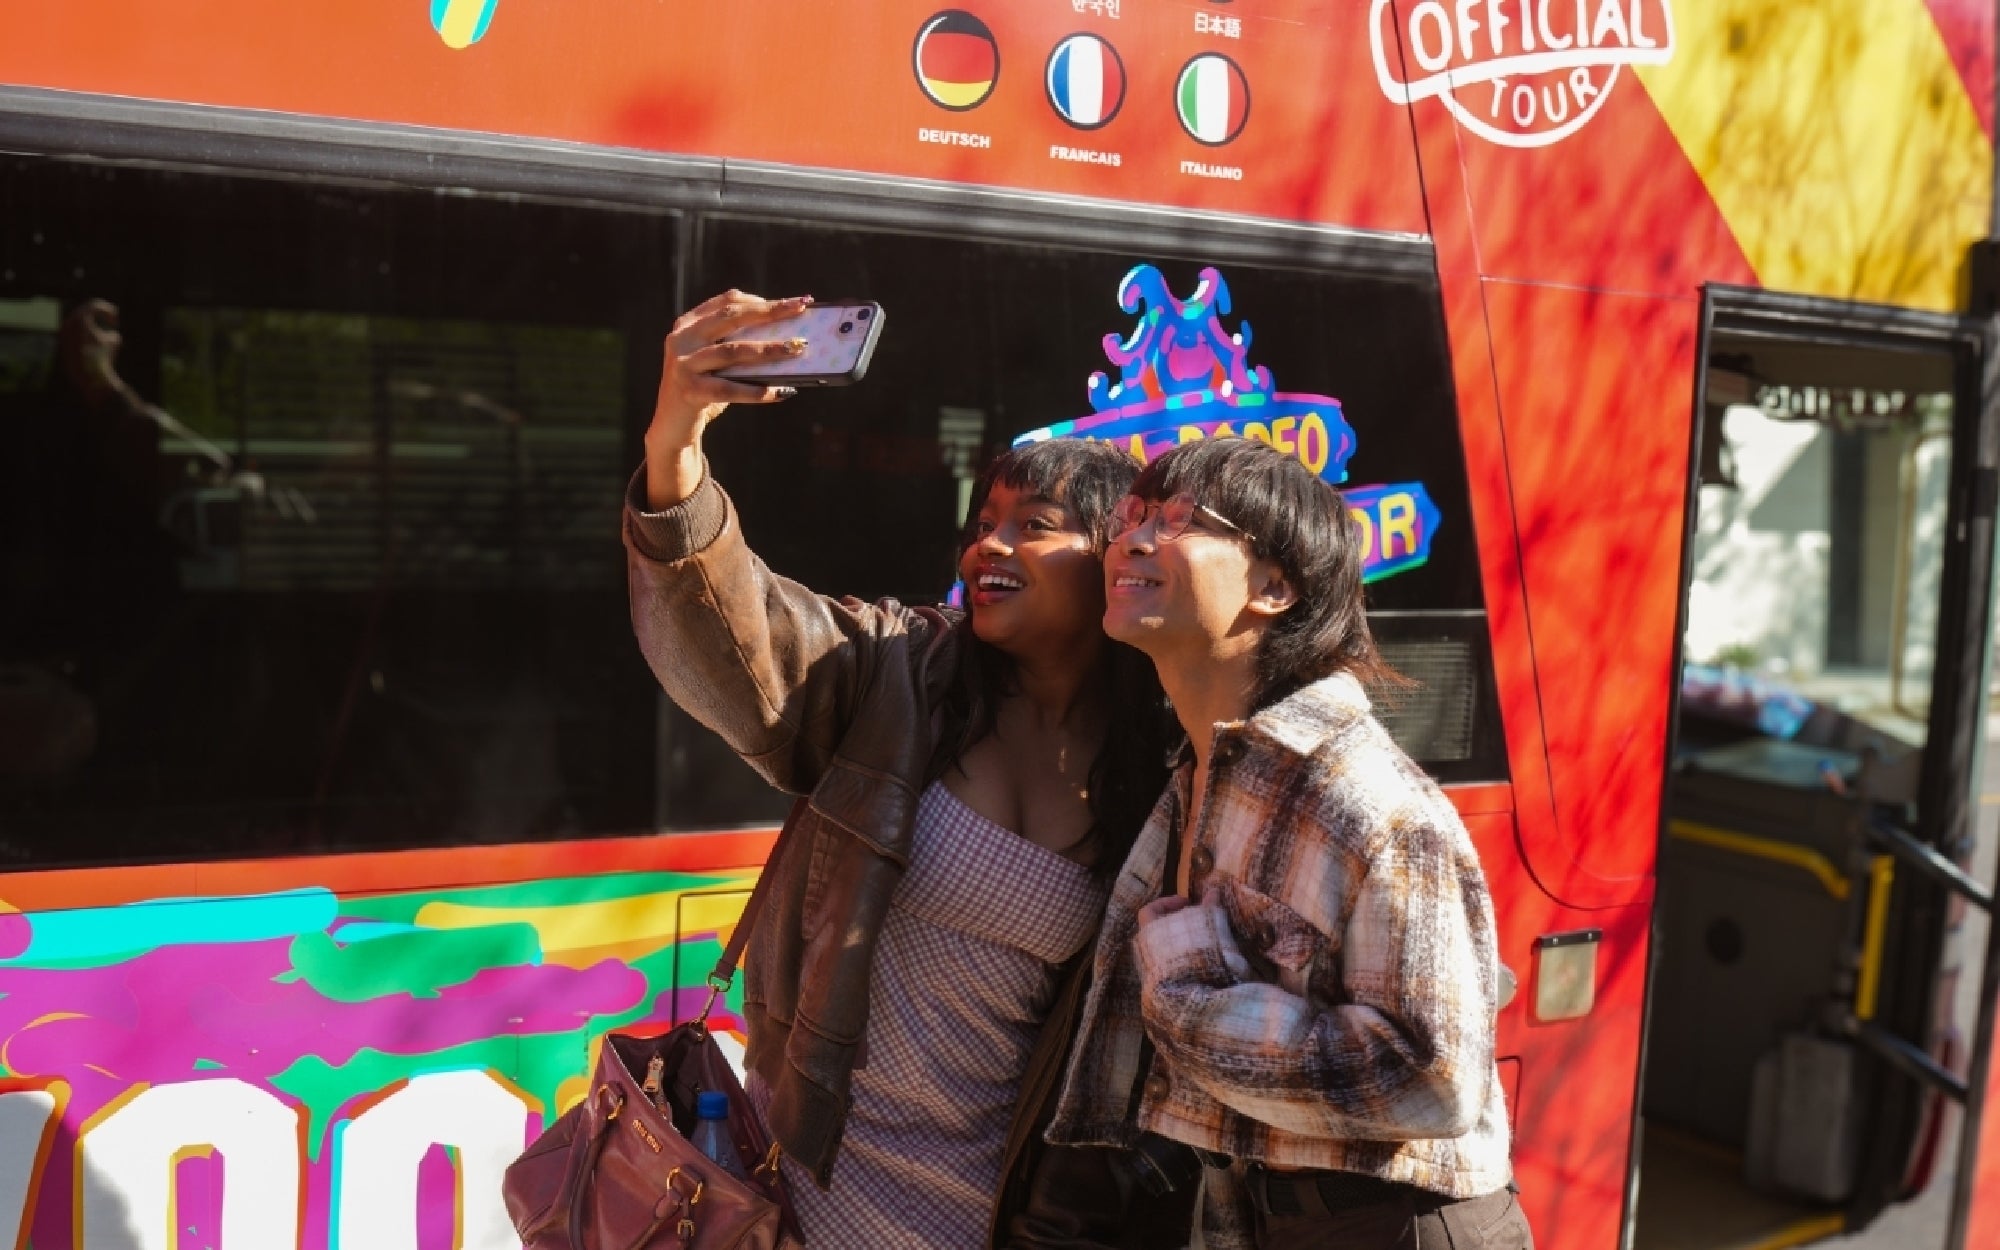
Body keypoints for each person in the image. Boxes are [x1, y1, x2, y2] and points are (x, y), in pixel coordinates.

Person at [624, 290, 1175, 1247]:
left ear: (1115, 562)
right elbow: (734, 629)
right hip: (811, 1186)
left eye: (1033, 524)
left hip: (993, 1211)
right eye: (985, 520)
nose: (988, 547)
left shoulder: (1162, 769)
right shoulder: (893, 676)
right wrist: (677, 446)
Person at [1044, 437, 1531, 1249]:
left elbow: (1434, 1079)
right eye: (1134, 516)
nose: (1130, 539)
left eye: (1181, 521)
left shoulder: (1365, 799)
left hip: (1393, 1228)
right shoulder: (1201, 770)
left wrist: (1191, 998)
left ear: (1274, 587)